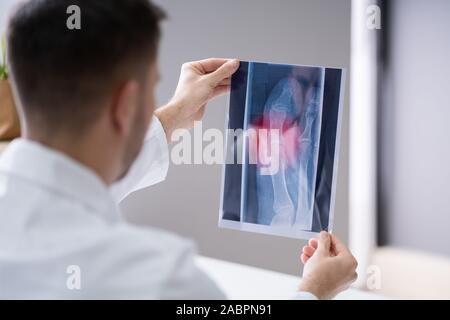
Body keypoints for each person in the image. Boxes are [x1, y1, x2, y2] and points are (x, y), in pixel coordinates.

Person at [0, 0, 357, 299]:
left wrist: (172, 116)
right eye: (154, 85)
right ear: (125, 105)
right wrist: (315, 289)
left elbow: (70, 193)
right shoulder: (160, 280)